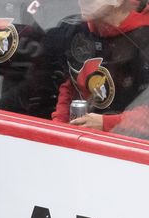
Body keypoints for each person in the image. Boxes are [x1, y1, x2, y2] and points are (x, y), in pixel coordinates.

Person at [51, 0, 149, 136]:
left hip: (130, 147)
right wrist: (58, 127)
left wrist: (106, 123)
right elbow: (70, 84)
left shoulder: (144, 37)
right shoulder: (74, 30)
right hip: (81, 141)